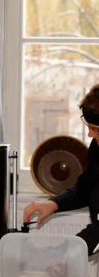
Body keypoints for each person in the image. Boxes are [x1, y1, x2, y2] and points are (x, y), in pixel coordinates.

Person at [24, 84, 99, 255]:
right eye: (89, 127)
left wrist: (64, 254)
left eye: (96, 129)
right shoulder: (97, 147)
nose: (90, 135)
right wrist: (53, 203)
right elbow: (85, 188)